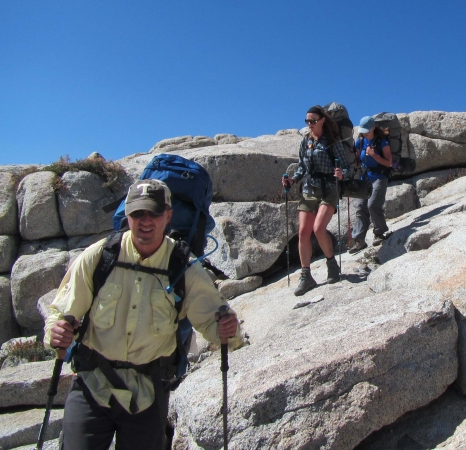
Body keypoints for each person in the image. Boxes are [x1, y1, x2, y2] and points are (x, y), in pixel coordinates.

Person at [44, 179, 242, 449]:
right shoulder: (99, 257)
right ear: (127, 215)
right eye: (138, 213)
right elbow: (62, 311)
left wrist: (226, 331)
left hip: (147, 393)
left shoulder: (185, 269)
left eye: (154, 213)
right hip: (92, 385)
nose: (145, 221)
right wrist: (56, 331)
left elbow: (212, 323)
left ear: (168, 215)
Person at [282, 105, 351, 296]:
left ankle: (332, 264)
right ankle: (306, 276)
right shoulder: (306, 142)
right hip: (308, 189)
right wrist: (291, 180)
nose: (309, 124)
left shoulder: (333, 142)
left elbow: (347, 167)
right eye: (307, 121)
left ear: (322, 120)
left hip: (329, 189)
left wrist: (341, 174)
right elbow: (302, 168)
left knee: (318, 229)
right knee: (303, 233)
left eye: (313, 120)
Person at [348, 116, 392, 254]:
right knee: (361, 207)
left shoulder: (382, 142)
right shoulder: (360, 141)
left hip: (380, 177)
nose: (364, 132)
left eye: (367, 130)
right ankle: (359, 240)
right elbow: (356, 159)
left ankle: (379, 233)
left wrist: (373, 155)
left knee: (372, 205)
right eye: (363, 130)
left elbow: (389, 163)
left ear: (373, 127)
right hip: (365, 177)